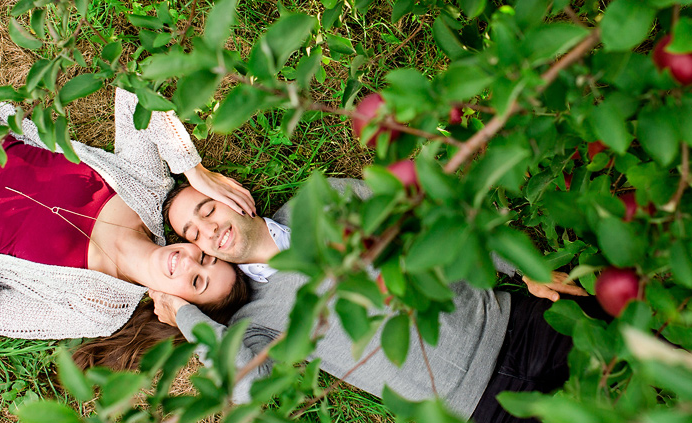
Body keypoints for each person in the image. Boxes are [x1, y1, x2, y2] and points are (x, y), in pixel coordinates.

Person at [152, 179, 602, 423]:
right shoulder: (255, 323)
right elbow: (245, 387)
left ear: (233, 195)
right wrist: (184, 313)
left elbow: (430, 220)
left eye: (207, 209)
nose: (207, 230)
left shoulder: (324, 200)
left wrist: (524, 269)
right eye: (193, 234)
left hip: (516, 324)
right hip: (479, 412)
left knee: (650, 335)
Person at [0, 87, 252, 369]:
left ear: (176, 306)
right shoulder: (149, 189)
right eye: (206, 258)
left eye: (196, 282)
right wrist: (194, 170)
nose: (189, 262)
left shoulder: (98, 311)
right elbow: (134, 91)